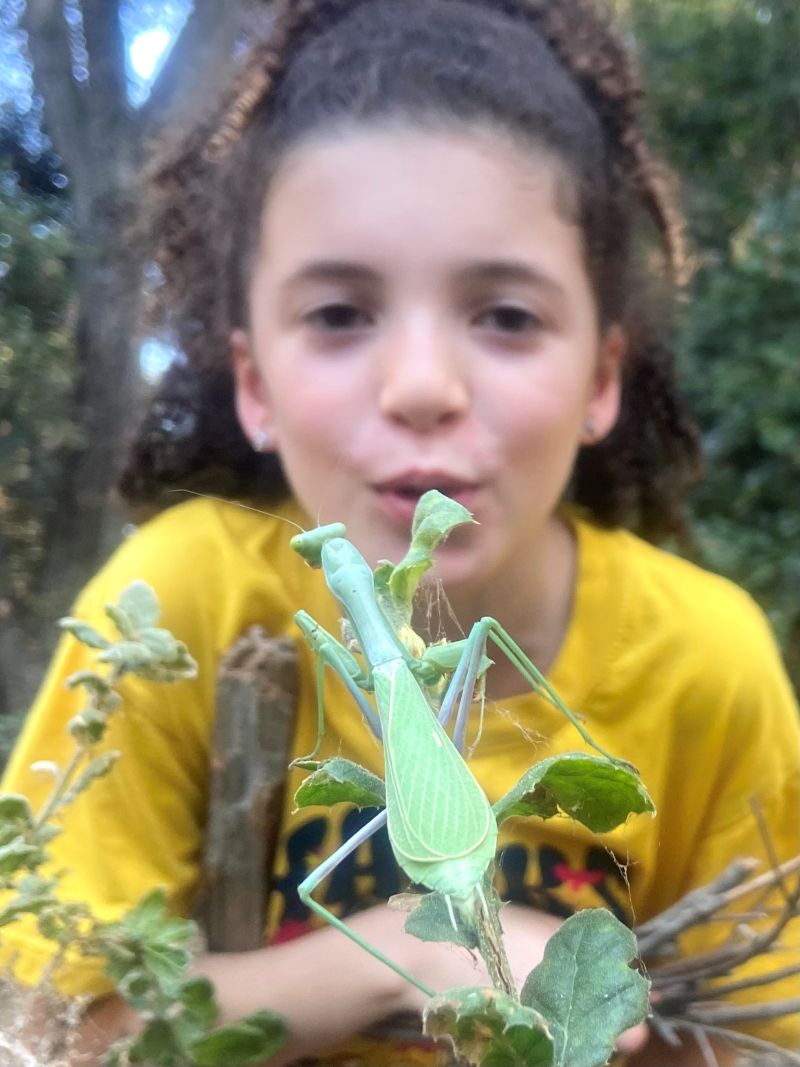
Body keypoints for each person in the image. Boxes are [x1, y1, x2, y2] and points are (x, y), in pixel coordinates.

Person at [2, 0, 798, 1064]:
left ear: (601, 378)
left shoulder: (706, 658)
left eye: (505, 315)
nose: (421, 386)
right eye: (338, 313)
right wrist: (408, 958)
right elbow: (38, 1024)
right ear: (255, 385)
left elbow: (757, 1034)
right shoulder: (180, 599)